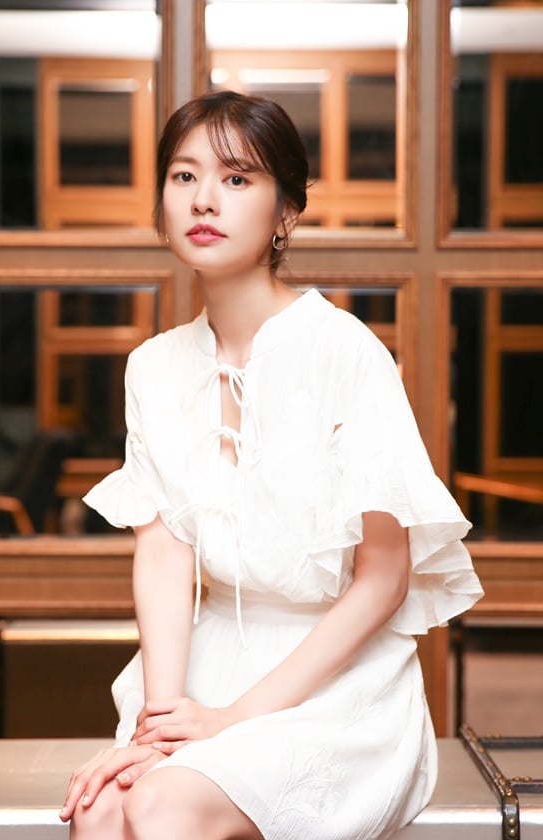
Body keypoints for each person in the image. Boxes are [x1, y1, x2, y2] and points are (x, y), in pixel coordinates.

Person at [60, 89, 483, 840]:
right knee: (99, 808)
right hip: (208, 662)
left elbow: (383, 581)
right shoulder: (153, 367)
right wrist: (161, 723)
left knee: (159, 806)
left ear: (285, 211)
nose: (204, 199)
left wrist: (231, 719)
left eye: (236, 178)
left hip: (338, 685)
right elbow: (164, 556)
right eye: (184, 176)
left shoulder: (345, 350)